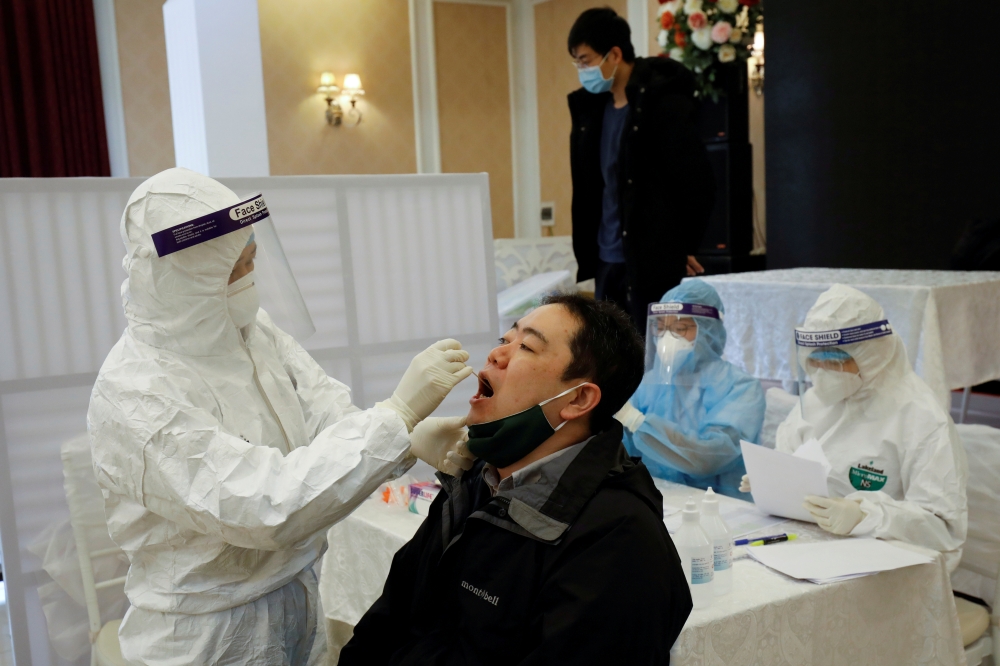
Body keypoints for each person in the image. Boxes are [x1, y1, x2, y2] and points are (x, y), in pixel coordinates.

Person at [88, 168, 476, 665]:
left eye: (252, 258)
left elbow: (324, 412)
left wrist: (408, 440)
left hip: (297, 598)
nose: (251, 277)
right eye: (236, 267)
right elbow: (266, 507)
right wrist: (395, 417)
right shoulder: (135, 395)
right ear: (188, 280)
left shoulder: (250, 330)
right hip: (207, 638)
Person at [339, 295, 692, 665]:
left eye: (526, 346)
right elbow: (384, 626)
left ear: (577, 399)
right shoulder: (473, 483)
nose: (496, 355)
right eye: (504, 340)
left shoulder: (618, 540)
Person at [742, 284, 968, 570]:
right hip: (807, 551)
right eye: (815, 359)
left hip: (888, 567)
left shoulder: (920, 417)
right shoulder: (813, 402)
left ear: (873, 354)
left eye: (836, 360)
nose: (823, 373)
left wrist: (866, 515)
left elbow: (944, 528)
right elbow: (791, 459)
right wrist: (772, 480)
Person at [568, 7, 714, 333]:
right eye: (576, 62)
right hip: (605, 257)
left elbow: (695, 179)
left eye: (586, 60)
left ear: (615, 54)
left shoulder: (660, 101)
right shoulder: (592, 111)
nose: (581, 70)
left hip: (650, 258)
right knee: (612, 357)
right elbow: (594, 186)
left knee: (655, 354)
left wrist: (686, 244)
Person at [615, 279, 765, 497]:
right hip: (656, 496)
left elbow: (710, 457)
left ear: (708, 330)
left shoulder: (741, 387)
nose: (667, 338)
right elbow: (622, 451)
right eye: (661, 328)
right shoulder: (649, 383)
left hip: (720, 504)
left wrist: (638, 422)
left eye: (680, 328)